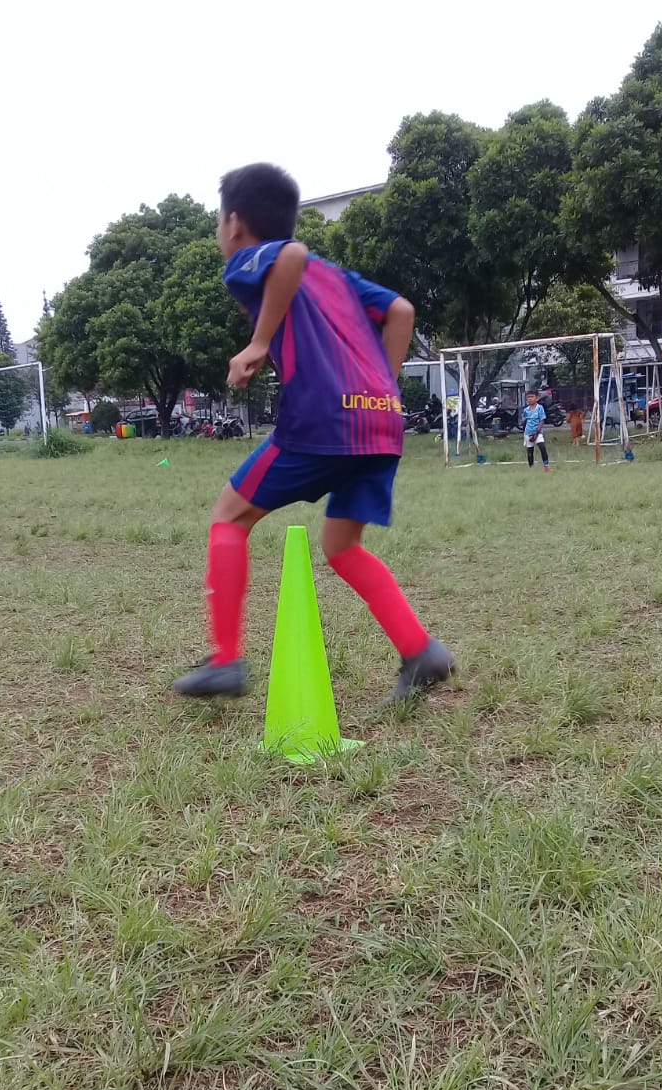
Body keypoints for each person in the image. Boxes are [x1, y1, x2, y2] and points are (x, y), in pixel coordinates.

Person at [172, 163, 454, 702]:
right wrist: (380, 387)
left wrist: (259, 342)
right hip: (380, 421)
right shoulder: (338, 277)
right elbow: (400, 311)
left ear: (234, 223)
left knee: (229, 515)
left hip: (324, 417)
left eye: (218, 222)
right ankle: (422, 652)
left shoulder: (249, 260)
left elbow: (291, 255)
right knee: (342, 546)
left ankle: (225, 660)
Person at [523, 389, 550, 470]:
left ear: (537, 398)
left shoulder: (539, 408)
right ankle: (531, 467)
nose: (530, 398)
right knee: (530, 451)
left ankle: (546, 466)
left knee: (542, 447)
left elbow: (542, 420)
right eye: (528, 397)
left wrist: (537, 432)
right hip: (528, 433)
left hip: (538, 433)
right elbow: (524, 421)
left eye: (532, 397)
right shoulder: (526, 410)